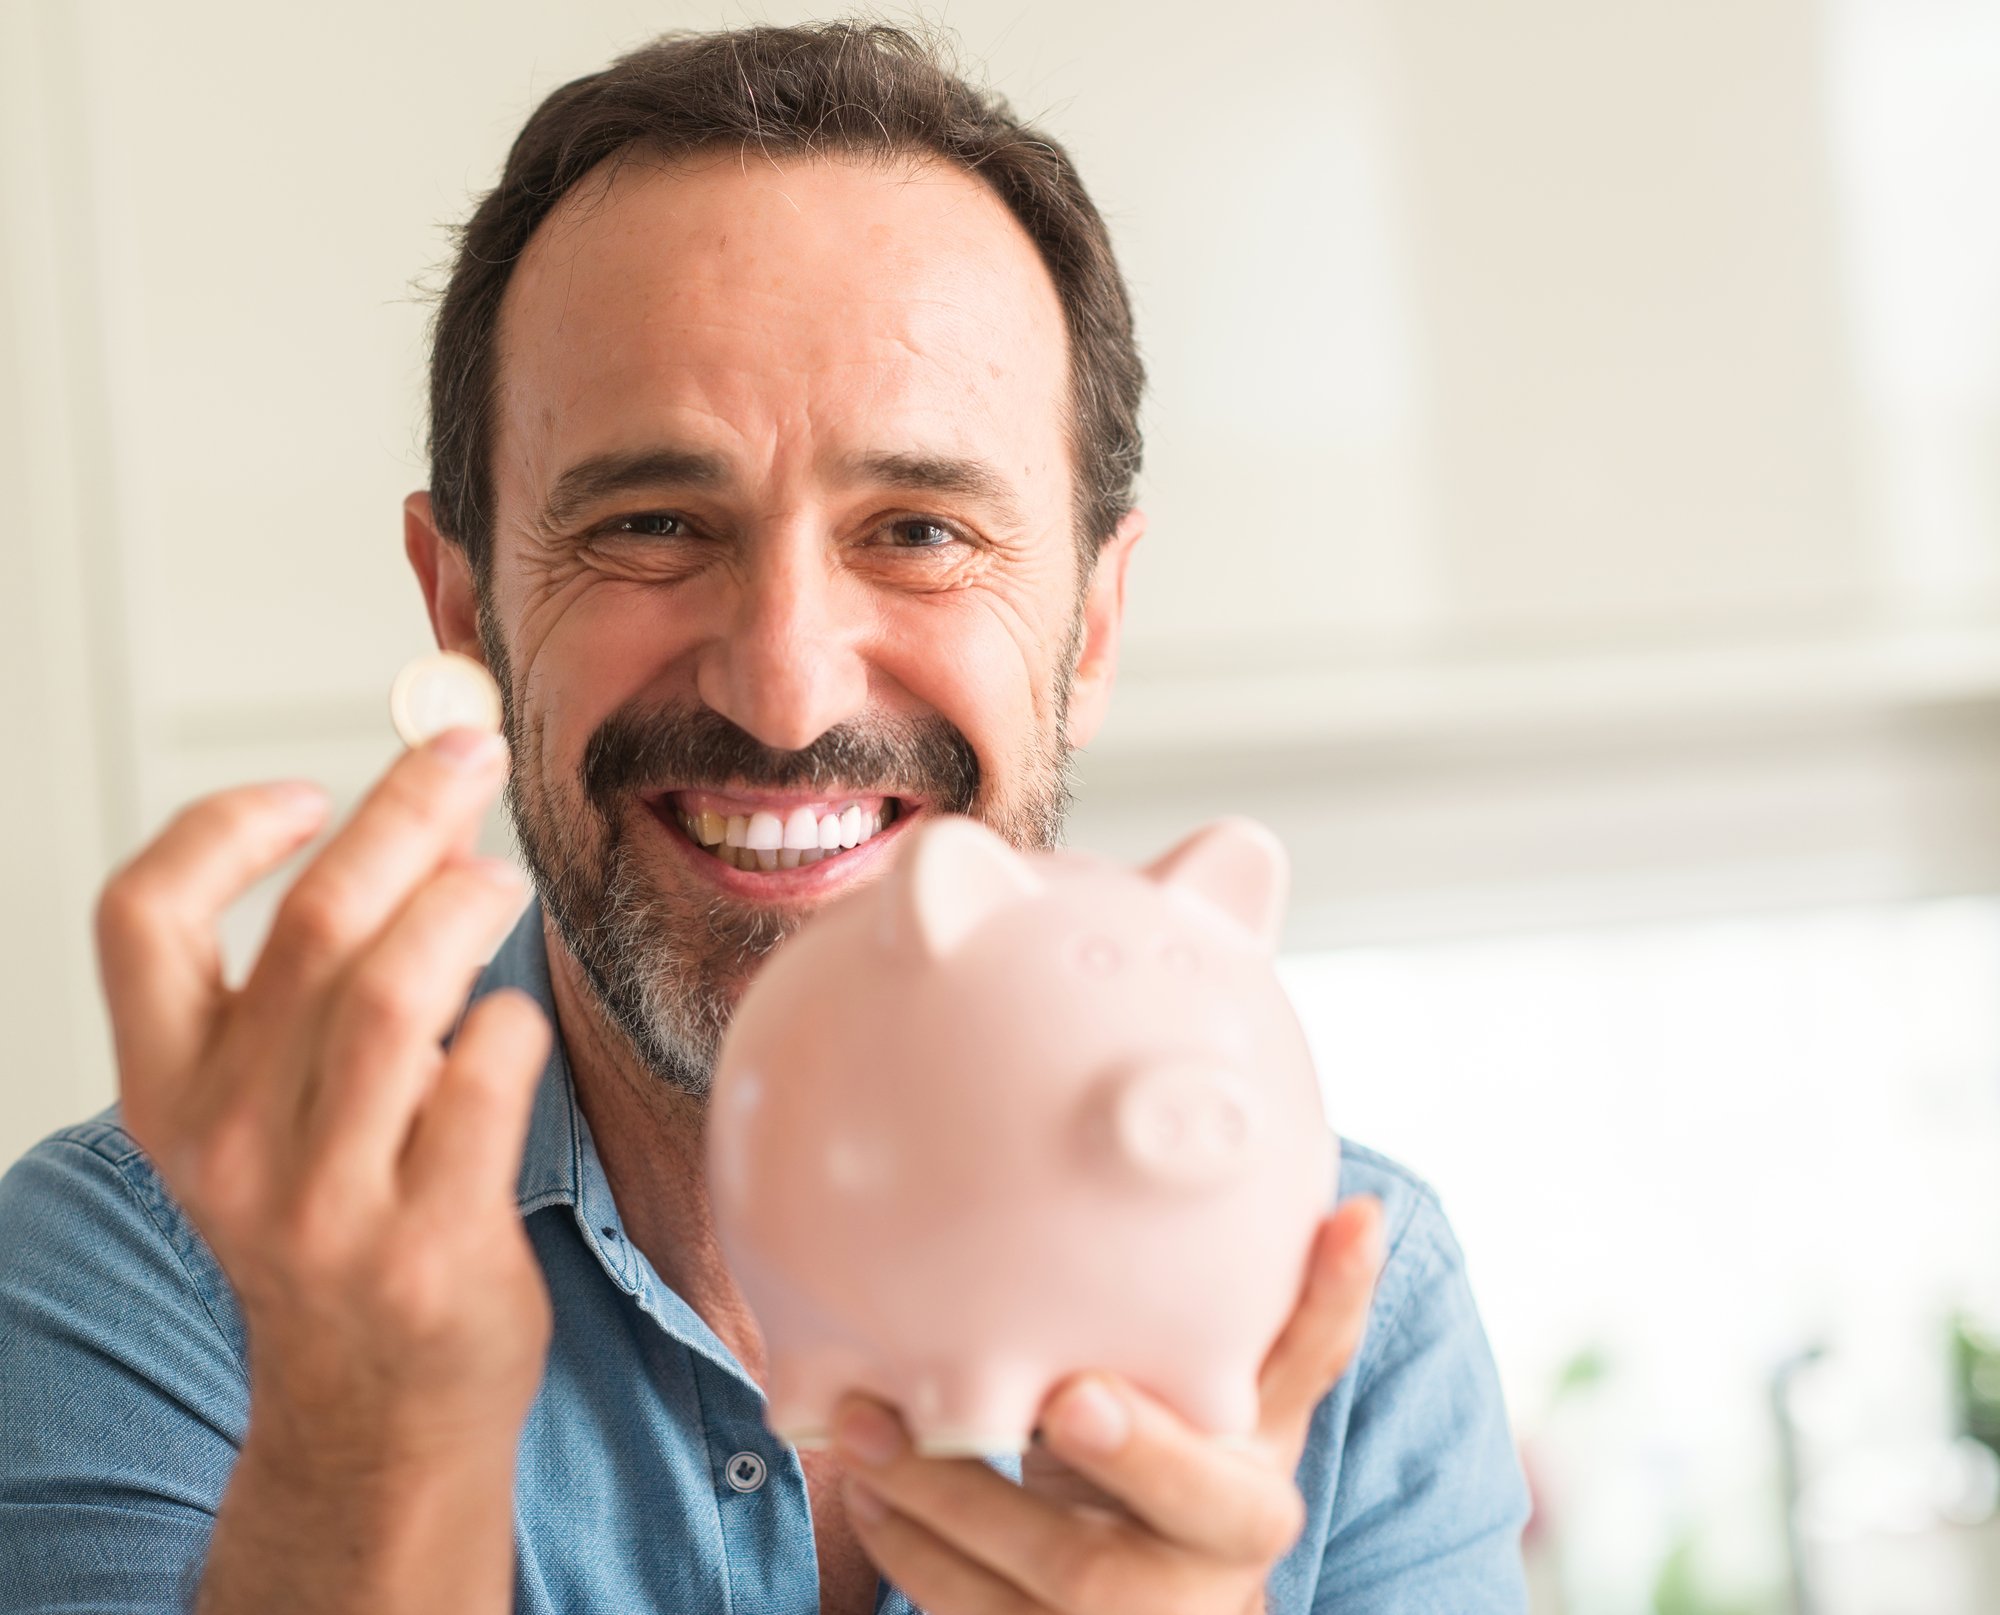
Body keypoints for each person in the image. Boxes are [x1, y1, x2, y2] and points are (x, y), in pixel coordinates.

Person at [0, 22, 1529, 1614]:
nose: (788, 691)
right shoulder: (164, 1285)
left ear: (1089, 631)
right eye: (653, 525)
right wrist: (362, 1463)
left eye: (920, 530)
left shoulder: (1343, 1314)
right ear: (463, 607)